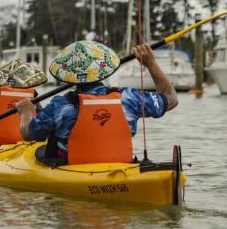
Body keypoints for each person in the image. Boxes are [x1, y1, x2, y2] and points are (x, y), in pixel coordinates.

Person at [15, 41, 178, 164]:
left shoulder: (60, 106)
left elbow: (29, 135)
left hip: (74, 169)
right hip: (120, 166)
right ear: (103, 70)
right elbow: (171, 99)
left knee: (44, 150)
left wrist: (26, 111)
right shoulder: (129, 98)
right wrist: (150, 63)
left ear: (70, 75)